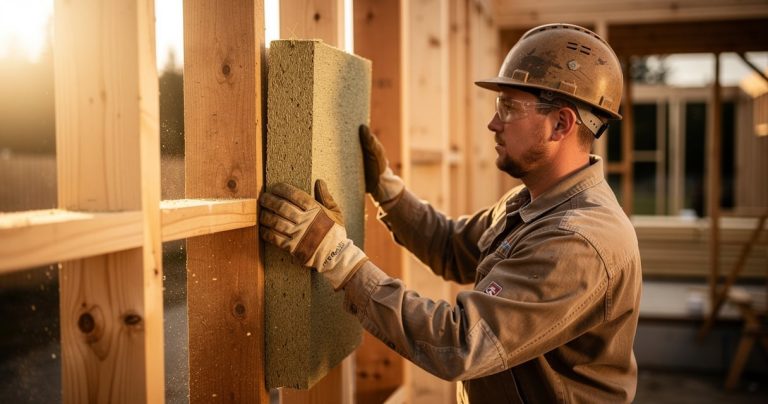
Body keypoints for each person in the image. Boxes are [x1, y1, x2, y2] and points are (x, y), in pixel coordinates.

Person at [259, 23, 642, 403]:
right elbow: (451, 247)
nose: (493, 123)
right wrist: (389, 192)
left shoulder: (578, 241)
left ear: (561, 123)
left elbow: (460, 342)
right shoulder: (531, 203)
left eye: (508, 108)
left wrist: (335, 257)